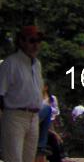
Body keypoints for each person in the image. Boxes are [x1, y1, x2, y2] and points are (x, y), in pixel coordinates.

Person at [0, 25, 45, 162]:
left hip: (34, 116)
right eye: (32, 41)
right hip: (15, 115)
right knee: (14, 158)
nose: (36, 45)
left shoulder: (37, 64)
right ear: (21, 41)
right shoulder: (10, 63)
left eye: (38, 41)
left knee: (28, 158)